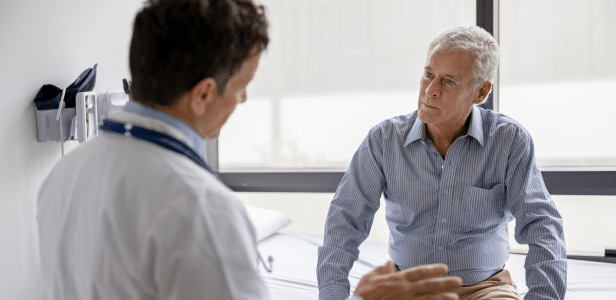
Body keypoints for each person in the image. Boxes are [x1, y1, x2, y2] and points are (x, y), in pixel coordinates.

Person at [37, 0, 462, 299]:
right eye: (241, 89)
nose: (241, 102)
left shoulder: (64, 173)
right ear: (203, 94)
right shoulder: (199, 207)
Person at [317, 25, 568, 300]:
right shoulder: (383, 140)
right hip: (407, 288)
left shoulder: (509, 141)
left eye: (449, 81)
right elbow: (345, 221)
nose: (430, 91)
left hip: (485, 289)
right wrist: (333, 296)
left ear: (481, 92)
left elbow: (541, 225)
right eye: (428, 75)